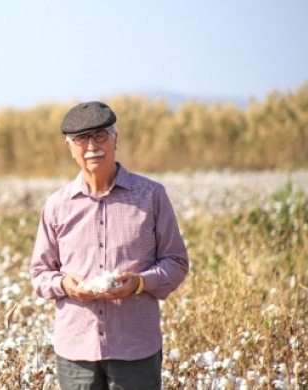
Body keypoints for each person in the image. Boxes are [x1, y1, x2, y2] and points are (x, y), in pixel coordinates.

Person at [29, 101, 189, 389]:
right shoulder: (57, 205)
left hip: (135, 348)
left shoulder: (152, 196)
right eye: (81, 139)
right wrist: (66, 285)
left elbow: (176, 262)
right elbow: (40, 274)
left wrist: (140, 282)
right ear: (70, 147)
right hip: (76, 351)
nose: (92, 146)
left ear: (115, 139)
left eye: (100, 136)